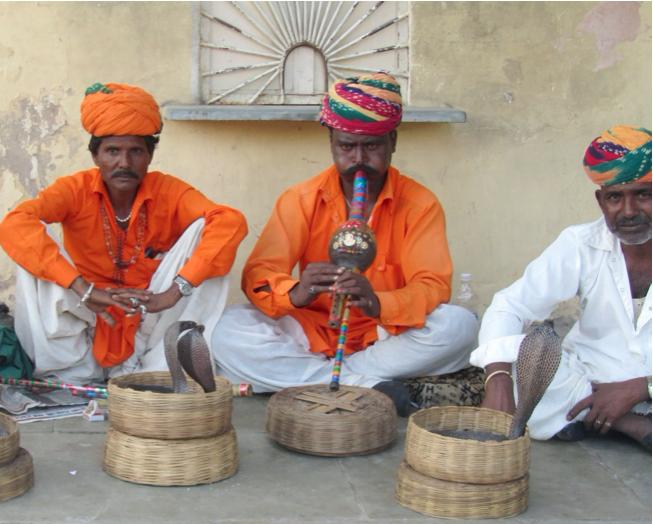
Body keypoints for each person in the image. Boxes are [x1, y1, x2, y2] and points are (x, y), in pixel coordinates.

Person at [212, 73, 477, 414]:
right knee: (228, 330)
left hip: (385, 336)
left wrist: (377, 302)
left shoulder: (420, 204)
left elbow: (432, 286)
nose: (359, 159)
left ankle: (317, 379)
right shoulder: (301, 198)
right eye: (347, 147)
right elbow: (260, 273)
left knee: (460, 326)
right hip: (312, 329)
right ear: (332, 144)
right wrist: (296, 291)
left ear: (392, 141)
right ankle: (364, 386)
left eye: (372, 146)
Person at [0, 82, 247, 384]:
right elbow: (14, 224)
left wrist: (173, 291)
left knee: (211, 230)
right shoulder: (73, 190)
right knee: (28, 242)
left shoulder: (168, 190)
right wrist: (81, 288)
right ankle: (70, 371)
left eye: (135, 152)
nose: (124, 163)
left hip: (150, 315)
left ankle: (157, 369)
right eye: (112, 151)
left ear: (149, 156)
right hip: (86, 314)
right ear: (96, 156)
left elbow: (230, 221)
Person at [474, 125, 651, 448]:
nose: (628, 211)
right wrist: (497, 380)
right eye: (615, 197)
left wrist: (641, 388)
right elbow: (510, 306)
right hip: (590, 381)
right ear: (601, 202)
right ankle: (629, 425)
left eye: (643, 194)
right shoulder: (580, 243)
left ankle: (593, 417)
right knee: (519, 362)